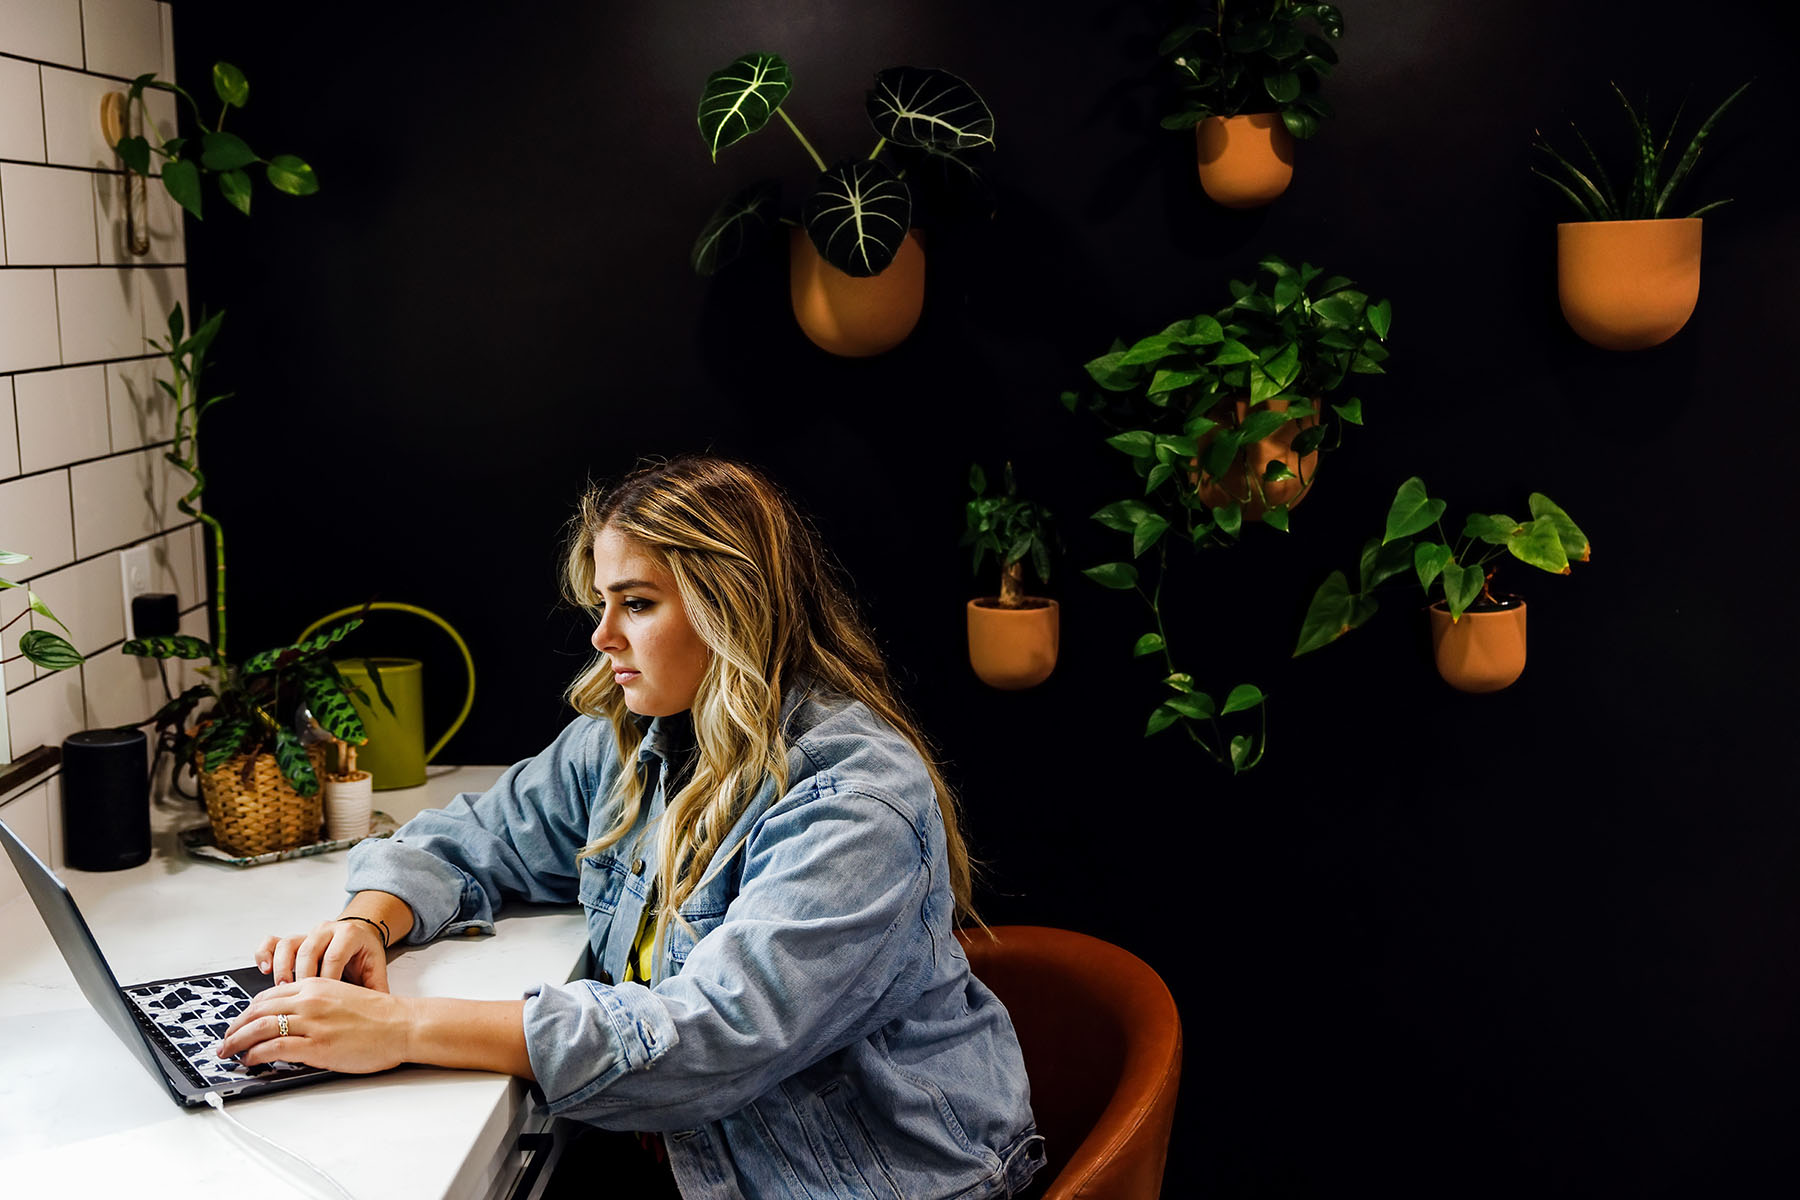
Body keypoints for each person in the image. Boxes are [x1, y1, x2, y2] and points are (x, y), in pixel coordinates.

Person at [217, 455, 1046, 1198]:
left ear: (735, 609)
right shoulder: (632, 739)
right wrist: (370, 920)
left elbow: (710, 1038)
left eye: (637, 604)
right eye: (601, 603)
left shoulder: (853, 799)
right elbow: (479, 833)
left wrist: (401, 1030)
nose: (602, 635)